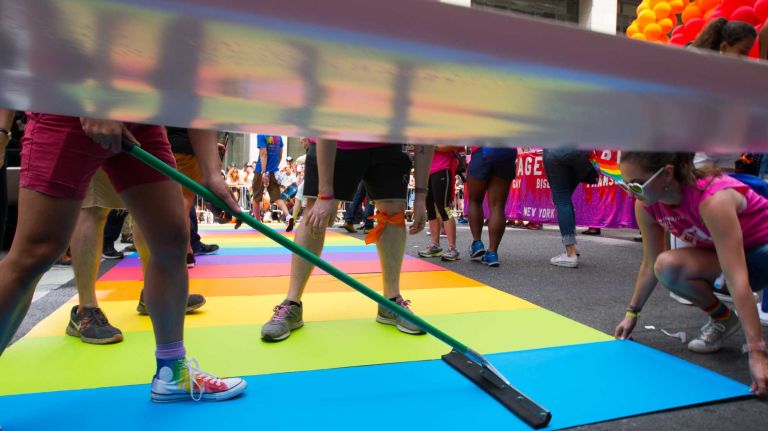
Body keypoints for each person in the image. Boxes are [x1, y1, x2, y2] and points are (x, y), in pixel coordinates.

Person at [0, 114, 246, 402]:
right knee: (37, 251)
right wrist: (93, 105)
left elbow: (194, 88)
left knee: (169, 241)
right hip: (68, 110)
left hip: (141, 116)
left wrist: (211, 171)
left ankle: (172, 373)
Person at [613, 152, 768, 398]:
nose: (631, 191)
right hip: (731, 258)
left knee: (736, 275)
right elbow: (650, 263)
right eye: (625, 184)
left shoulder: (712, 199)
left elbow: (737, 277)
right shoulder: (647, 206)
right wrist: (632, 313)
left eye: (636, 183)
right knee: (666, 266)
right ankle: (723, 318)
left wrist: (757, 352)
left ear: (666, 173)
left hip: (762, 253)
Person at [260, 140, 433, 342]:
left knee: (393, 211)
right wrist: (325, 194)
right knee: (315, 212)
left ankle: (391, 303)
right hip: (336, 141)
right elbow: (327, 119)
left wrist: (421, 196)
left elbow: (424, 135)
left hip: (387, 140)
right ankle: (292, 303)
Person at [542, 148, 597, 268]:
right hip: (580, 151)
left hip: (555, 150)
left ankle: (570, 252)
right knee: (564, 198)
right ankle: (572, 245)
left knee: (562, 199)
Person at [466, 146, 517, 267]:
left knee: (475, 201)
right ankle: (492, 253)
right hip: (506, 153)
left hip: (481, 151)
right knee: (497, 206)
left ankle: (477, 243)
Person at [418, 146, 462, 261]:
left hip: (442, 169)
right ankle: (435, 245)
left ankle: (453, 248)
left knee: (444, 209)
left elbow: (454, 146)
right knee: (431, 210)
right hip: (426, 172)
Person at [252, 135, 294, 231]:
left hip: (261, 171)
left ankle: (257, 223)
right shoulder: (278, 136)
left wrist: (263, 172)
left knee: (256, 197)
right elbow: (280, 154)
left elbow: (263, 153)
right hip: (274, 171)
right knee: (277, 197)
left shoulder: (261, 134)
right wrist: (274, 167)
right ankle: (288, 216)